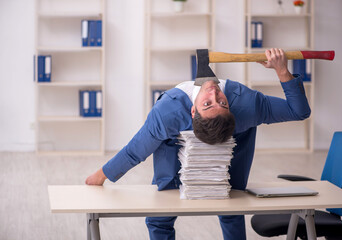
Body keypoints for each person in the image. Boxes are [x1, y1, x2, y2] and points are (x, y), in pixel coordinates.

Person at [85, 48, 311, 240]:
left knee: (231, 205)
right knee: (160, 211)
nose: (213, 92)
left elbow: (299, 111)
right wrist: (101, 176)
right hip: (174, 142)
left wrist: (282, 70)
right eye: (211, 103)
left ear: (231, 109)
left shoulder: (247, 105)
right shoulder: (168, 114)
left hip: (235, 140)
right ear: (192, 111)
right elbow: (136, 151)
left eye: (221, 102)